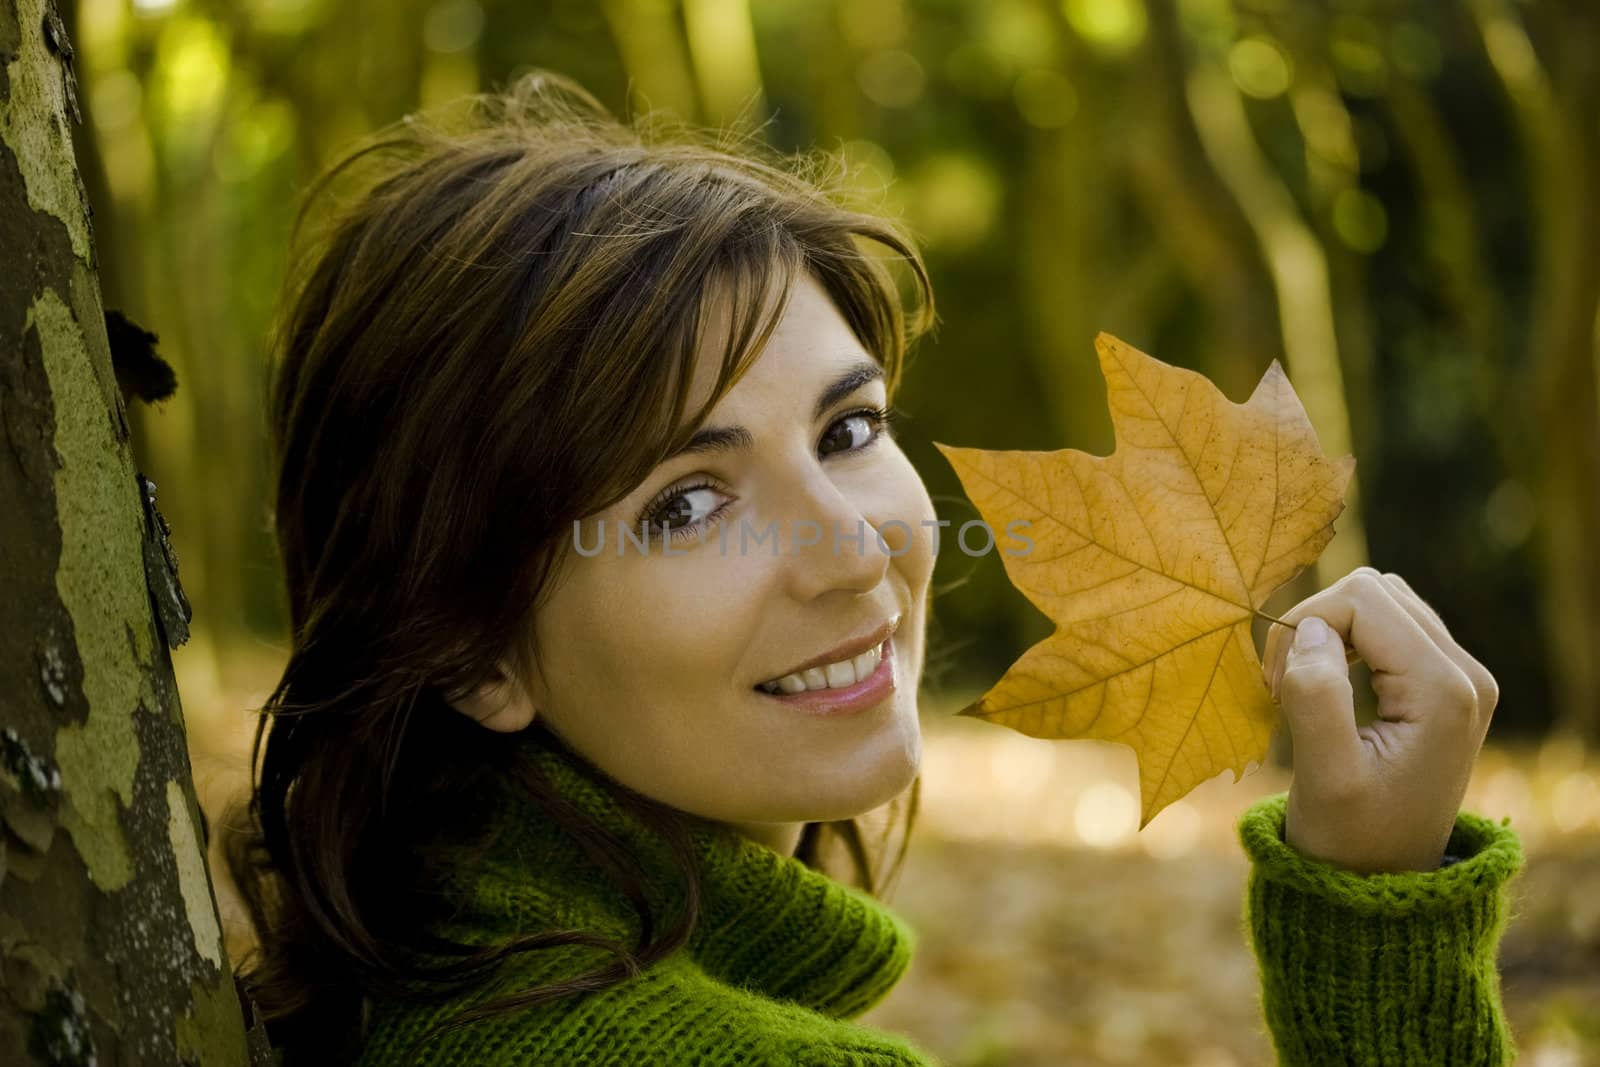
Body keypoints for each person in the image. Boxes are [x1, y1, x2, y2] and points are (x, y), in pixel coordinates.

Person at [224, 70, 1525, 1067]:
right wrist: (1379, 932)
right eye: (685, 503)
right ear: (469, 646)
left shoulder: (428, 980)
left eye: (848, 431)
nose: (850, 550)